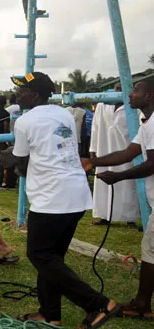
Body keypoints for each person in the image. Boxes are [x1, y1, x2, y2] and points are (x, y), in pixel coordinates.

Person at [12, 72, 119, 328]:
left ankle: (99, 303)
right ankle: (50, 314)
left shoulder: (25, 121)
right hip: (75, 195)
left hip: (51, 199)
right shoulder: (64, 114)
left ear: (35, 95)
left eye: (22, 90)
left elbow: (23, 167)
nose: (17, 94)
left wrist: (10, 162)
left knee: (39, 255)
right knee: (52, 259)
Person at [87, 79, 154, 321]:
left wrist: (118, 176)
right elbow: (128, 152)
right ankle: (141, 303)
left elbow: (151, 164)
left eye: (136, 90)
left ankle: (142, 305)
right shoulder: (146, 123)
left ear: (149, 96)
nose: (130, 94)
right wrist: (93, 162)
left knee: (150, 251)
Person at [90, 86, 140, 227]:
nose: (118, 87)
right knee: (103, 184)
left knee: (128, 183)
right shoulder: (102, 104)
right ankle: (104, 216)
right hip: (103, 149)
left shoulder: (134, 105)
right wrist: (92, 150)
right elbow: (95, 127)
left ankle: (131, 218)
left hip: (126, 151)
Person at [0, 95, 15, 188]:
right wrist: (8, 139)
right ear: (5, 103)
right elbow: (5, 126)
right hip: (1, 139)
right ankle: (0, 180)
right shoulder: (5, 113)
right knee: (1, 161)